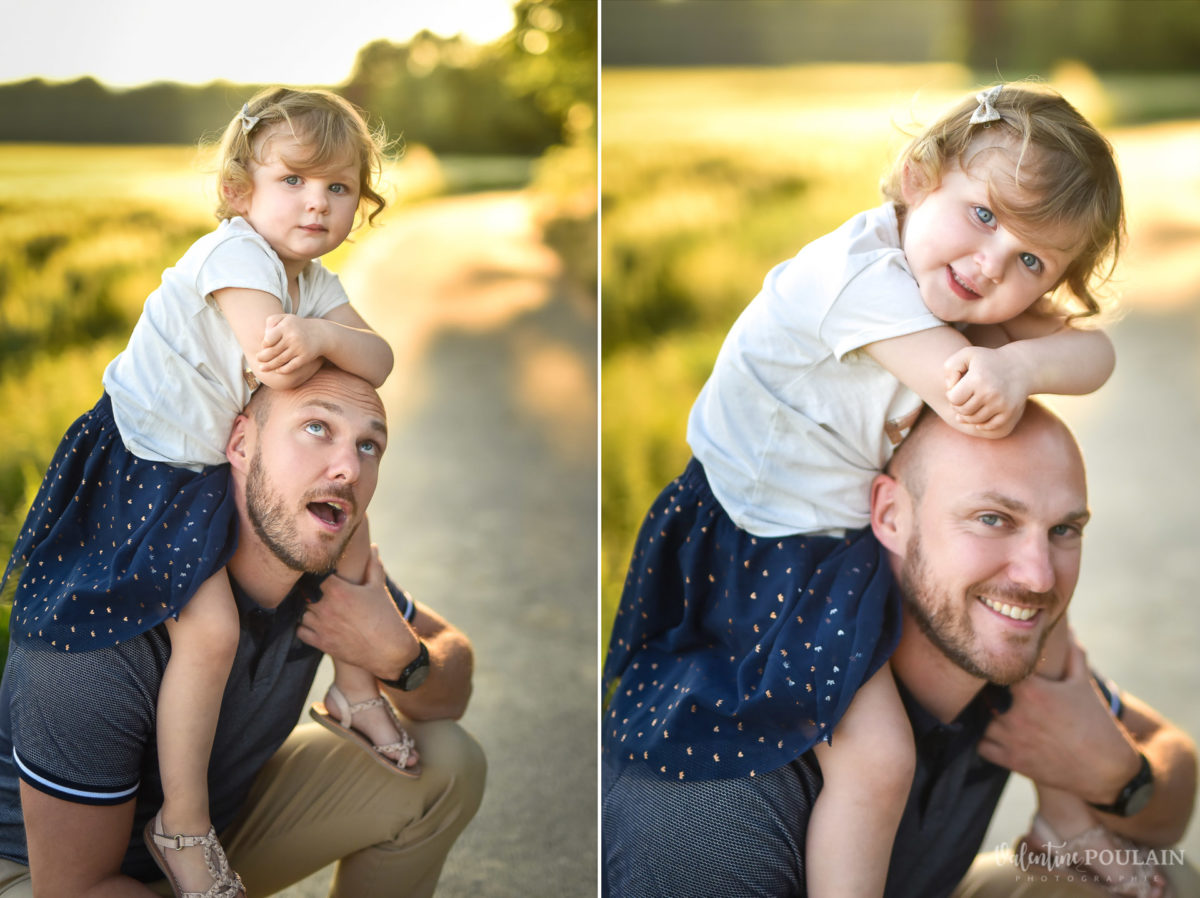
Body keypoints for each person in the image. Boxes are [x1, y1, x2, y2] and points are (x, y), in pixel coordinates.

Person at [603, 82, 1126, 895]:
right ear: (919, 178)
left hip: (829, 525)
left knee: (1036, 605)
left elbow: (1098, 358)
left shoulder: (954, 278)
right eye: (984, 216)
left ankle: (1066, 814)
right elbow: (964, 399)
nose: (992, 264)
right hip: (760, 543)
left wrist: (1019, 361)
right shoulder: (850, 277)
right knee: (878, 757)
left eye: (1033, 260)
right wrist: (998, 356)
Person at [0, 87, 416, 895]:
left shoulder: (311, 283)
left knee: (353, 525)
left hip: (201, 465)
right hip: (150, 470)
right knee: (213, 628)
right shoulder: (235, 257)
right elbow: (278, 364)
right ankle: (182, 819)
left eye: (338, 189)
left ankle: (356, 691)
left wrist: (328, 334)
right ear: (238, 193)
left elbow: (377, 358)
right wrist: (317, 347)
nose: (317, 204)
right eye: (294, 181)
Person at [603, 401, 1198, 897]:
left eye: (1064, 530)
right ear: (890, 515)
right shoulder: (716, 801)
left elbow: (1177, 782)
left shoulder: (1003, 663)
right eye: (993, 519)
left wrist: (1117, 775)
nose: (1039, 577)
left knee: (1165, 880)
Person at [0, 364, 486, 896]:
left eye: (370, 445)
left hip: (219, 842)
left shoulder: (318, 555)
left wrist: (401, 657)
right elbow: (77, 888)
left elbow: (453, 681)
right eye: (317, 428)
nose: (348, 466)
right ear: (240, 444)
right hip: (42, 876)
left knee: (448, 762)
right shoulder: (99, 633)